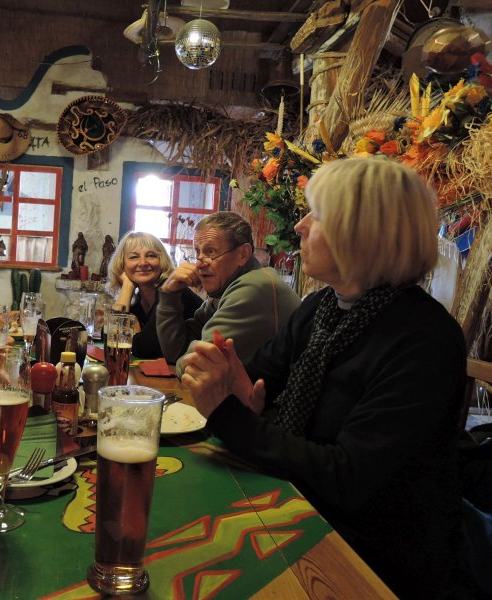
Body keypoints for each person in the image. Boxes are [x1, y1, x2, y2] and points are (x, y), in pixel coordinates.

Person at [180, 159, 473, 598]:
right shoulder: (322, 311)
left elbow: (347, 476)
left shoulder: (425, 339)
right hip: (297, 506)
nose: (298, 225)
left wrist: (228, 413)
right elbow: (258, 380)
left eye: (315, 213)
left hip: (373, 560)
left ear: (362, 232)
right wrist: (237, 392)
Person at [156, 211, 300, 374]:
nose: (199, 264)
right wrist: (169, 295)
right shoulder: (225, 290)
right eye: (197, 252)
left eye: (210, 252)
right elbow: (176, 352)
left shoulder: (254, 288)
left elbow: (196, 367)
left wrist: (187, 358)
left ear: (243, 254)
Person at [107, 232, 202, 359]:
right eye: (134, 257)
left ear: (161, 261)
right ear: (122, 265)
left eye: (151, 256)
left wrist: (134, 337)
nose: (143, 263)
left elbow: (146, 348)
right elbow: (111, 339)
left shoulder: (173, 293)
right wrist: (127, 287)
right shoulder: (138, 299)